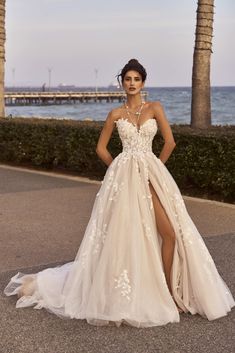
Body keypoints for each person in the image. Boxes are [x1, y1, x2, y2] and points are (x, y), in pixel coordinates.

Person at [4, 59, 235, 328]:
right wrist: (117, 167)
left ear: (143, 83)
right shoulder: (115, 114)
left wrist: (154, 167)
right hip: (124, 179)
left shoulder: (156, 108)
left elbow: (170, 142)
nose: (132, 83)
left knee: (170, 232)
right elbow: (101, 148)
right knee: (126, 234)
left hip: (151, 174)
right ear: (122, 83)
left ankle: (169, 292)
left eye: (137, 79)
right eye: (128, 79)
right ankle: (158, 295)